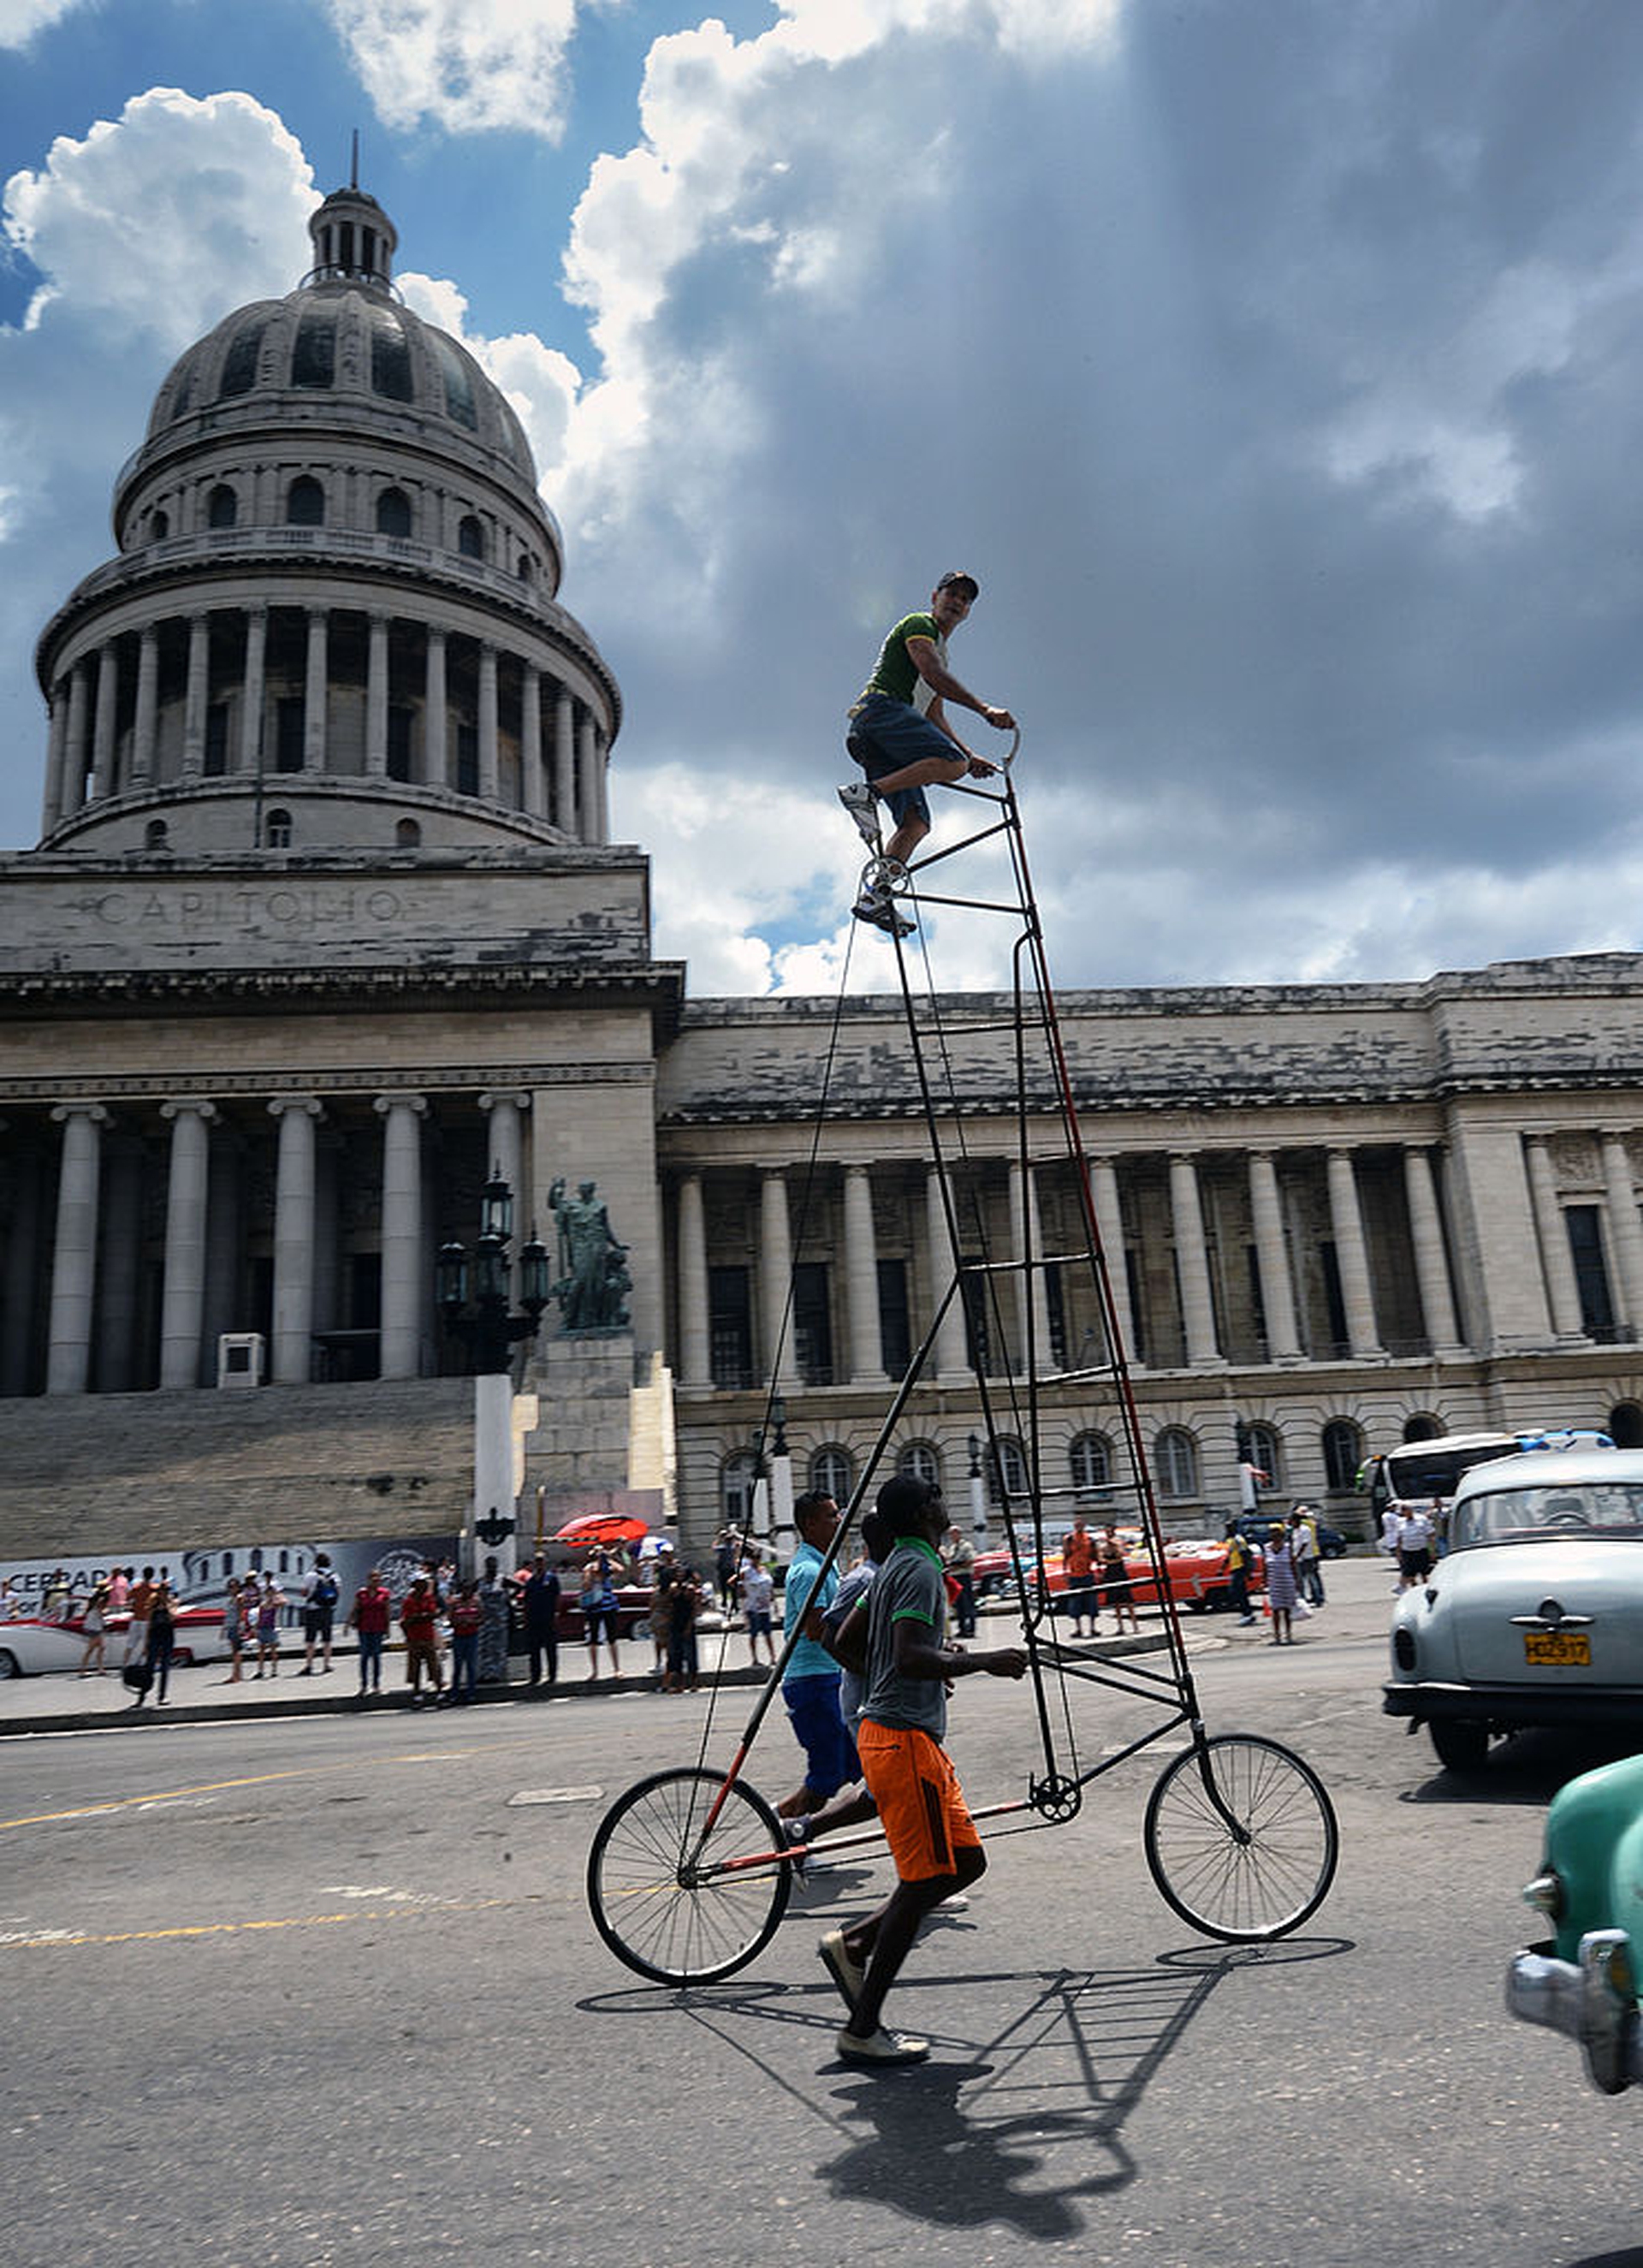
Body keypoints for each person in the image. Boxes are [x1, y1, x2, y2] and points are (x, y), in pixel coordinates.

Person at [819, 1475, 1027, 2065]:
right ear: (920, 1513)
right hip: (902, 1742)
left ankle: (855, 1944)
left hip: (901, 1737)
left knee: (965, 1863)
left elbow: (846, 1640)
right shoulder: (917, 1568)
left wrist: (909, 1672)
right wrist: (982, 1660)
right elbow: (909, 1655)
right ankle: (862, 2028)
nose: (944, 1502)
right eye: (935, 1497)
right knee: (920, 1883)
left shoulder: (894, 1567)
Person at [836, 571, 1016, 936]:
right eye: (952, 594)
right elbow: (931, 674)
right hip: (880, 712)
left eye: (965, 599)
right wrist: (984, 710)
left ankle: (877, 897)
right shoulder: (920, 625)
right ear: (935, 597)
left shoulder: (942, 654)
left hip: (887, 736)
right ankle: (868, 794)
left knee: (916, 823)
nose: (957, 602)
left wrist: (970, 755)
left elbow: (934, 714)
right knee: (951, 764)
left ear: (968, 612)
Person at [777, 1493, 857, 1824]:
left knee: (849, 1767)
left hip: (828, 1677)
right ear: (810, 1524)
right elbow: (816, 1629)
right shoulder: (809, 1571)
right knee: (827, 1774)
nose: (839, 1521)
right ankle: (788, 1826)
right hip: (813, 1681)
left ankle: (787, 1821)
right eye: (831, 1516)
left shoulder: (824, 1564)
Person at [348, 1568, 391, 1698]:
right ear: (368, 1579)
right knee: (364, 1656)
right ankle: (364, 1685)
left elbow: (387, 1611)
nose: (375, 1580)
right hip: (364, 1628)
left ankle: (376, 1684)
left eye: (378, 1578)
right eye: (373, 1577)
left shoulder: (384, 1593)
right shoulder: (362, 1593)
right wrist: (348, 1623)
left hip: (378, 1628)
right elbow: (355, 1608)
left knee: (376, 1656)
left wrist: (387, 1628)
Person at [400, 1574, 442, 1702]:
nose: (423, 1587)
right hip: (414, 1637)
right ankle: (417, 1692)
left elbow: (433, 1614)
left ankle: (439, 1691)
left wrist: (419, 1616)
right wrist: (423, 1616)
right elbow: (408, 1619)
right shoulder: (408, 1601)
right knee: (415, 1667)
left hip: (428, 1636)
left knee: (434, 1665)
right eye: (420, 1584)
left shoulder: (428, 1598)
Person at [520, 1553, 561, 1687]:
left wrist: (556, 1613)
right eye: (537, 1562)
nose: (539, 1564)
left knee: (550, 1648)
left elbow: (557, 1597)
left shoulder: (551, 1578)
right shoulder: (531, 1580)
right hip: (533, 1618)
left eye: (541, 1561)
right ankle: (535, 1675)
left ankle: (552, 1675)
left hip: (548, 1617)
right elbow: (527, 1599)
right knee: (534, 1649)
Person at [579, 1553, 621, 1678]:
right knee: (593, 1638)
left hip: (608, 1604)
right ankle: (595, 1670)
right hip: (594, 1606)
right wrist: (591, 1574)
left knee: (612, 1637)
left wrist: (608, 1559)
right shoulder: (589, 1569)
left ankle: (617, 1668)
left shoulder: (607, 1569)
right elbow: (585, 1586)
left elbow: (620, 1569)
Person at [664, 1559, 703, 1694]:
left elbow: (694, 1609)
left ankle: (693, 1682)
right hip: (675, 1623)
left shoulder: (690, 1589)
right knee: (676, 1655)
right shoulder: (672, 1588)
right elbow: (668, 1604)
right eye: (677, 1573)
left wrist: (689, 1626)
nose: (679, 1575)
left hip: (687, 1622)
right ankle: (679, 1684)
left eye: (681, 1573)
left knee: (691, 1655)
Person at [299, 1553, 340, 1675]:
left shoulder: (310, 1575)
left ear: (316, 1563)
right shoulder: (334, 1576)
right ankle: (326, 1665)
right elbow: (338, 1592)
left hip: (312, 1609)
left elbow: (304, 1593)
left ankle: (309, 1665)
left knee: (310, 1639)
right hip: (327, 1610)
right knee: (327, 1639)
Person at [445, 1578, 482, 1704]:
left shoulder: (476, 1602)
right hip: (459, 1637)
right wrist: (459, 1622)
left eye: (469, 1589)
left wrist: (472, 1622)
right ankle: (454, 1693)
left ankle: (471, 1693)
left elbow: (482, 1618)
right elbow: (450, 1619)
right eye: (465, 1589)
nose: (467, 1592)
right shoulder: (455, 1602)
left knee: (471, 1666)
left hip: (472, 1636)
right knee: (458, 1666)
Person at [739, 1543, 776, 1667]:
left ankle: (773, 1657)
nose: (756, 1560)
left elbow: (769, 1585)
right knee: (754, 1633)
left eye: (758, 1558)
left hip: (764, 1606)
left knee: (768, 1633)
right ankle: (754, 1658)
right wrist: (743, 1590)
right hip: (753, 1606)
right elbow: (733, 1581)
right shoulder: (746, 1571)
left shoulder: (763, 1570)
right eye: (754, 1558)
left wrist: (772, 1596)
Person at [1099, 1523, 1139, 1634]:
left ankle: (1135, 1626)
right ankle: (1121, 1627)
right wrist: (1109, 1559)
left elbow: (1121, 1554)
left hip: (1120, 1573)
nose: (1108, 1534)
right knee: (1116, 1602)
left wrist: (1114, 1547)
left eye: (1110, 1531)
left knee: (1128, 1601)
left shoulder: (1118, 1542)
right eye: (1107, 1532)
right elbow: (1101, 1558)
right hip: (1110, 1573)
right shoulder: (1103, 1546)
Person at [477, 1555, 512, 1684]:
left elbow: (521, 1586)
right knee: (484, 1648)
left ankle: (497, 1674)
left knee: (498, 1648)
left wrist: (508, 1599)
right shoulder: (480, 1581)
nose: (492, 1568)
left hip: (499, 1620)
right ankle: (484, 1674)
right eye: (490, 1566)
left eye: (494, 1566)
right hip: (485, 1621)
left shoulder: (502, 1579)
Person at [1263, 1524, 1296, 1646]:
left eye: (1277, 1533)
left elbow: (1293, 1565)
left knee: (1287, 1610)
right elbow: (1265, 1567)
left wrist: (1297, 1582)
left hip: (1287, 1582)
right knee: (1275, 1610)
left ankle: (1288, 1634)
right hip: (1274, 1583)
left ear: (1282, 1535)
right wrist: (1264, 1582)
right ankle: (1277, 1635)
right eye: (1272, 1533)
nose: (1274, 1536)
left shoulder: (1288, 1548)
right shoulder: (1266, 1548)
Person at [943, 1526, 977, 1639]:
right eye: (950, 1534)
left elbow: (970, 1560)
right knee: (959, 1605)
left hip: (964, 1576)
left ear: (959, 1533)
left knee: (968, 1603)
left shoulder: (966, 1546)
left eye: (954, 1533)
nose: (952, 1536)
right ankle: (962, 1628)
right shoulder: (952, 1548)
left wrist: (956, 1567)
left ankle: (970, 1629)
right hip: (955, 1577)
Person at [1289, 1506, 1325, 1607]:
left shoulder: (1305, 1528)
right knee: (1302, 1579)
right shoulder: (1296, 1530)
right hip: (1299, 1557)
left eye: (1292, 1521)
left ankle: (1318, 1598)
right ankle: (1305, 1598)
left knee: (1311, 1577)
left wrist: (1297, 1555)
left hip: (1308, 1556)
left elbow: (1304, 1544)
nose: (1291, 1523)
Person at [1223, 1522, 1257, 1625]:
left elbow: (1245, 1555)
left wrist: (1248, 1571)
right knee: (1239, 1592)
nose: (1228, 1530)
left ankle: (1247, 1614)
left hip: (1240, 1568)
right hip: (1234, 1568)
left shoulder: (1239, 1540)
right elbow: (1230, 1554)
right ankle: (1247, 1613)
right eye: (1227, 1528)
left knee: (1238, 1591)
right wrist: (1223, 1567)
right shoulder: (1229, 1540)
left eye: (1230, 1527)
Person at [1396, 1504, 1435, 1589]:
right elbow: (1399, 1538)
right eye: (1403, 1510)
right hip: (1407, 1551)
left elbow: (1430, 1535)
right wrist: (1398, 1553)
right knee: (1410, 1574)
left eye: (1407, 1509)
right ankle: (1414, 1588)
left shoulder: (1422, 1519)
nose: (1406, 1512)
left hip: (1421, 1549)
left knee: (1424, 1572)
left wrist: (1432, 1550)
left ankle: (1426, 1588)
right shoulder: (1400, 1522)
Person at [125, 1564, 157, 1667]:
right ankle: (145, 1663)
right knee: (147, 1643)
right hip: (146, 1619)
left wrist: (134, 1605)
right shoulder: (153, 1589)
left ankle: (125, 1663)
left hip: (136, 1618)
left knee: (130, 1644)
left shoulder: (137, 1587)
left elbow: (127, 1598)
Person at [77, 1580, 111, 1674]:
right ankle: (83, 1669)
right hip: (94, 1627)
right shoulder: (101, 1601)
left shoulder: (93, 1599)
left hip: (92, 1624)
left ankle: (100, 1668)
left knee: (101, 1647)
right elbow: (102, 1613)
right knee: (91, 1649)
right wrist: (107, 1612)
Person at [253, 1576, 284, 1676]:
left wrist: (276, 1596)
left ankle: (274, 1670)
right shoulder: (262, 1605)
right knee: (261, 1651)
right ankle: (260, 1670)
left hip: (271, 1627)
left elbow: (283, 1602)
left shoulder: (275, 1603)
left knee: (273, 1650)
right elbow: (260, 1616)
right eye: (268, 1593)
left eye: (271, 1593)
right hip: (262, 1627)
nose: (269, 1594)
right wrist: (256, 1627)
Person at [220, 1575, 246, 1683]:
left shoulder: (239, 1598)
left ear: (238, 1587)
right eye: (229, 1587)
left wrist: (240, 1626)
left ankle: (236, 1675)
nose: (231, 1589)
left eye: (233, 1586)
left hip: (235, 1626)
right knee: (234, 1651)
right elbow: (228, 1615)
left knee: (236, 1651)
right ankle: (237, 1674)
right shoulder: (232, 1599)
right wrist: (224, 1628)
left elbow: (241, 1613)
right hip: (230, 1626)